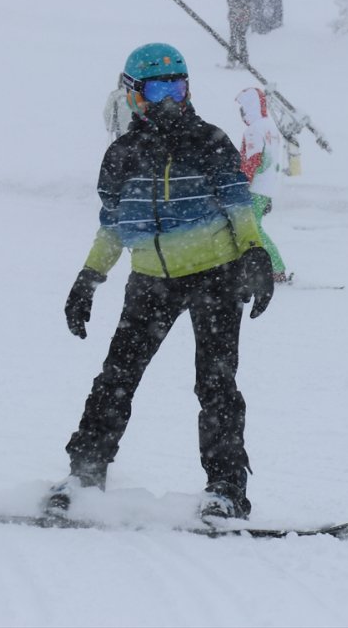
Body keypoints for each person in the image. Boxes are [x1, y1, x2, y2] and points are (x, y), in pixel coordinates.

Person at [48, 43, 275, 522]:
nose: (170, 99)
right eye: (157, 89)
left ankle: (226, 489)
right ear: (133, 94)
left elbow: (238, 205)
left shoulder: (210, 141)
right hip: (151, 281)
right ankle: (84, 475)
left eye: (178, 87)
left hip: (216, 276)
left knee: (216, 383)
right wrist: (88, 279)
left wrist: (255, 253)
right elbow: (113, 226)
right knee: (117, 377)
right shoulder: (122, 155)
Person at [235, 87, 289, 283]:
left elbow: (252, 161)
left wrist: (240, 186)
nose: (242, 114)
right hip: (267, 189)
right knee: (251, 229)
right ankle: (257, 268)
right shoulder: (271, 128)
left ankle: (276, 268)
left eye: (243, 108)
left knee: (252, 229)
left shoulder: (254, 130)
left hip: (253, 188)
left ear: (250, 107)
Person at [226, 0, 254, 68]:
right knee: (234, 38)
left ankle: (243, 60)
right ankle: (232, 60)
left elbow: (248, 1)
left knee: (240, 37)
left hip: (242, 18)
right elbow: (229, 0)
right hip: (235, 17)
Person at [102, 74, 133, 142]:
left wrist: (111, 127)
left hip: (122, 133)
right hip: (141, 132)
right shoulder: (141, 94)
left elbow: (107, 112)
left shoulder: (115, 95)